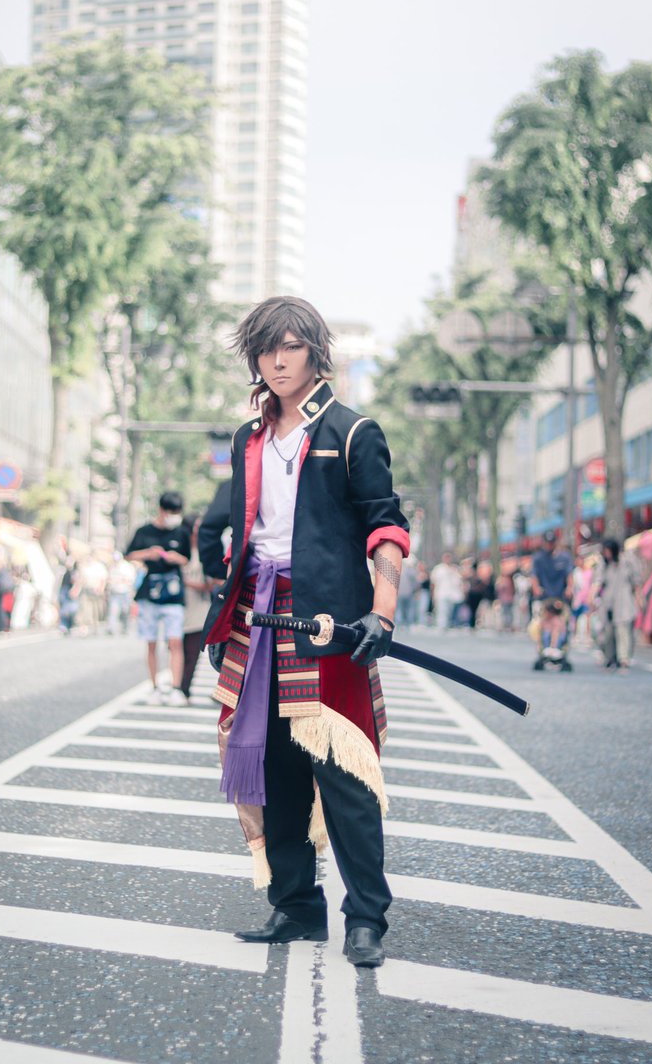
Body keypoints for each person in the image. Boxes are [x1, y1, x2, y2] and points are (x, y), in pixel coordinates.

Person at [202, 295, 410, 970]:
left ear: (316, 352)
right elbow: (242, 530)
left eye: (290, 346)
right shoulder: (250, 436)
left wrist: (382, 611)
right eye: (266, 349)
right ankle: (295, 907)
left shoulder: (352, 432)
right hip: (255, 616)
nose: (277, 360)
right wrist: (224, 606)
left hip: (327, 622)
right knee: (272, 767)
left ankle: (367, 918)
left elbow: (386, 525)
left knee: (344, 775)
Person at [126, 492, 191, 706]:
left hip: (173, 592)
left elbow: (187, 558)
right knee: (151, 642)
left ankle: (175, 688)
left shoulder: (181, 532)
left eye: (177, 512)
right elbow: (129, 554)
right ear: (161, 510)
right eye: (171, 512)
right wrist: (148, 553)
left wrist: (175, 558)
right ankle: (154, 687)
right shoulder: (144, 531)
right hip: (150, 592)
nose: (174, 516)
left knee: (175, 641)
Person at [592, 538, 642, 671]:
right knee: (607, 633)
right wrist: (591, 598)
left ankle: (623, 659)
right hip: (608, 603)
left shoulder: (627, 561)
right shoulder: (604, 564)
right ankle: (609, 658)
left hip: (624, 602)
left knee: (623, 631)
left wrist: (639, 600)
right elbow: (598, 582)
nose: (607, 554)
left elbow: (636, 582)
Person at [180, 513, 213, 699]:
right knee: (177, 650)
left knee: (192, 652)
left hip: (199, 608)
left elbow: (210, 583)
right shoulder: (179, 548)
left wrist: (185, 582)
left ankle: (184, 688)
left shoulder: (205, 550)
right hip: (178, 607)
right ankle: (177, 685)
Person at [430, 552, 464, 631]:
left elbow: (459, 581)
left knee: (449, 611)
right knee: (442, 610)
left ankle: (448, 625)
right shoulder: (438, 569)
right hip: (441, 593)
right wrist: (433, 594)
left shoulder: (454, 569)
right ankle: (441, 626)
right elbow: (433, 582)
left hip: (452, 594)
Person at [106, 551, 136, 635]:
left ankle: (125, 627)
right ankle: (111, 628)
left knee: (125, 611)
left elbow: (130, 580)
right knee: (113, 610)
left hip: (124, 591)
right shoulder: (112, 567)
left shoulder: (127, 567)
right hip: (114, 592)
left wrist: (119, 581)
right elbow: (109, 579)